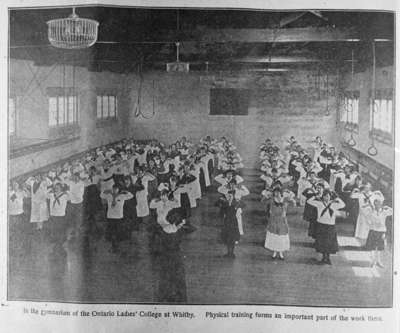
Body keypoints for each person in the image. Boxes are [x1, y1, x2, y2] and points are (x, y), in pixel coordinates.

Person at [308, 190, 345, 265]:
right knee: (322, 242)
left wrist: (337, 198)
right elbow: (309, 201)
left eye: (328, 196)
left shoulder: (334, 204)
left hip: (330, 225)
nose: (326, 198)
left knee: (329, 243)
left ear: (330, 197)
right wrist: (315, 196)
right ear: (323, 196)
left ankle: (327, 258)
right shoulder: (319, 203)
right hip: (321, 224)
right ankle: (323, 257)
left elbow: (343, 204)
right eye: (325, 196)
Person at [264, 188, 296, 260]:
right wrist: (266, 195)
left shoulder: (285, 200)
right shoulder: (271, 199)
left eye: (278, 192)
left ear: (281, 193)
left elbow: (294, 203)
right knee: (275, 236)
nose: (277, 194)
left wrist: (290, 196)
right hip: (273, 219)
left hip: (282, 220)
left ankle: (281, 252)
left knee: (281, 236)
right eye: (275, 192)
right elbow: (263, 201)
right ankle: (275, 252)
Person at [100, 184, 133, 253]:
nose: (115, 190)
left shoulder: (122, 196)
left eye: (116, 189)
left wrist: (125, 191)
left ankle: (117, 247)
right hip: (110, 217)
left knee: (118, 232)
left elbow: (131, 195)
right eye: (113, 189)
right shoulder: (109, 196)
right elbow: (101, 195)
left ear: (118, 190)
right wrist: (106, 191)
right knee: (112, 232)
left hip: (119, 217)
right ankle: (113, 246)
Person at [365, 198, 392, 268]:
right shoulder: (371, 212)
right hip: (373, 230)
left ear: (381, 204)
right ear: (374, 204)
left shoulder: (384, 212)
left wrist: (388, 207)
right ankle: (373, 261)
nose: (378, 205)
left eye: (379, 204)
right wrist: (371, 224)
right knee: (372, 247)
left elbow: (393, 211)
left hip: (381, 231)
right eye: (376, 204)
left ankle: (378, 261)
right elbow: (367, 219)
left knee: (380, 247)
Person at [216, 191, 244, 258]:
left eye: (231, 196)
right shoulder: (225, 203)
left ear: (233, 196)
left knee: (232, 239)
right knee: (227, 238)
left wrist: (236, 206)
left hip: (233, 223)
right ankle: (229, 253)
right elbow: (219, 210)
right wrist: (221, 201)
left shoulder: (236, 202)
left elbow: (243, 205)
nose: (229, 197)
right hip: (226, 223)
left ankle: (232, 253)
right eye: (228, 196)